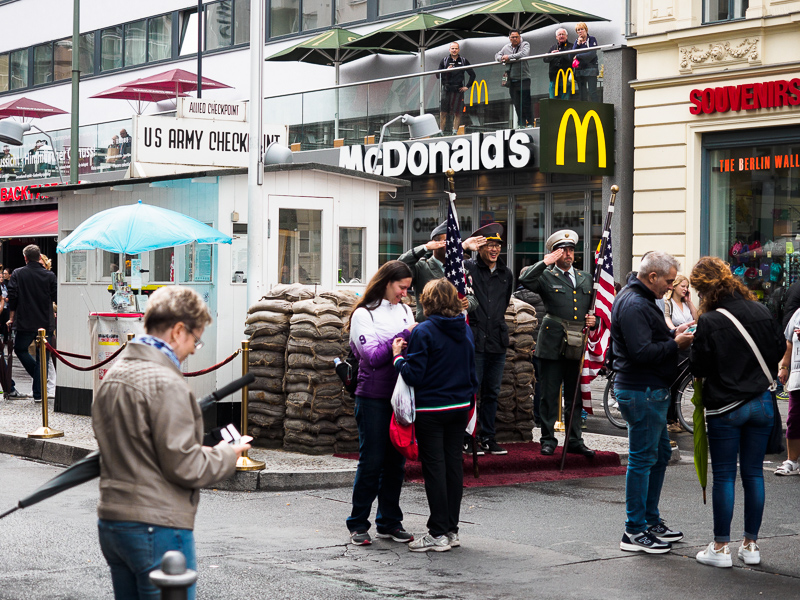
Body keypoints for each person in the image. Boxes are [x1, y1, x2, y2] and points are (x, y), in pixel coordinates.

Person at [93, 286, 247, 599]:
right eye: (195, 339)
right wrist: (227, 455)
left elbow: (137, 446)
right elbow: (183, 466)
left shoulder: (115, 375)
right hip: (157, 524)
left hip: (112, 521)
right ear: (178, 331)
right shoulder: (167, 384)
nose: (193, 349)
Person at [689, 256, 785, 567]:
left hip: (726, 406)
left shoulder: (710, 320)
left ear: (702, 291)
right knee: (754, 474)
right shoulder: (759, 308)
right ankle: (751, 545)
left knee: (726, 477)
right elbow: (777, 349)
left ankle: (720, 548)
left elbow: (699, 367)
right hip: (761, 402)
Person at [611, 251, 693, 554]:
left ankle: (649, 519)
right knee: (643, 458)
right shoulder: (634, 303)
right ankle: (633, 530)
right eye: (669, 282)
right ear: (653, 277)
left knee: (657, 455)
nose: (671, 287)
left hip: (649, 389)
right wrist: (675, 343)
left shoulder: (641, 299)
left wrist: (674, 332)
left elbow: (647, 340)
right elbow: (641, 352)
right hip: (640, 390)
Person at [392, 279, 478, 552]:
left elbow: (413, 374)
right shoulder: (465, 330)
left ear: (428, 302)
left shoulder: (425, 331)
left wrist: (397, 358)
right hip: (459, 407)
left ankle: (437, 532)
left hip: (432, 409)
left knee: (435, 469)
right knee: (453, 466)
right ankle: (451, 530)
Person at [346, 260, 416, 546]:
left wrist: (402, 341)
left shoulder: (405, 310)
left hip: (399, 395)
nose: (405, 294)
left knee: (395, 464)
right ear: (387, 282)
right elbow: (373, 357)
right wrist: (401, 339)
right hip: (373, 397)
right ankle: (358, 523)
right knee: (372, 462)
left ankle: (389, 521)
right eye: (402, 287)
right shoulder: (363, 314)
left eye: (408, 289)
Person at [518, 230, 597, 457]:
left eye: (571, 250)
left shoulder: (586, 278)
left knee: (574, 396)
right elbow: (525, 280)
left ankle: (574, 439)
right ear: (555, 253)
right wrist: (545, 262)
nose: (568, 254)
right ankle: (548, 439)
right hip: (552, 342)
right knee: (549, 395)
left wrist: (595, 320)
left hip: (576, 342)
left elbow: (595, 307)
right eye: (563, 251)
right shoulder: (546, 275)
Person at [464, 223, 513, 456]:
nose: (494, 249)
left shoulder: (506, 274)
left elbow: (504, 303)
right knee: (471, 390)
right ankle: (467, 437)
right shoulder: (469, 268)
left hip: (497, 340)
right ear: (480, 247)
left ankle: (487, 437)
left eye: (497, 245)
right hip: (475, 339)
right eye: (490, 245)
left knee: (492, 392)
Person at [398, 221, 483, 322]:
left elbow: (472, 297)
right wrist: (425, 248)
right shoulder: (422, 267)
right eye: (447, 242)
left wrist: (467, 303)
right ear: (435, 243)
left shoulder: (460, 269)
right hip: (428, 327)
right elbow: (400, 264)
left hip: (454, 326)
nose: (453, 246)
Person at [6, 245, 57, 403]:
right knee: (44, 356)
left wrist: (12, 316)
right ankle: (38, 393)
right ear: (39, 257)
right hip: (44, 320)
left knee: (20, 349)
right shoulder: (49, 275)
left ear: (25, 258)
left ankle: (38, 384)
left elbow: (12, 296)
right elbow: (56, 296)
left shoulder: (18, 273)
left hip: (25, 319)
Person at [663, 273, 697, 432]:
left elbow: (697, 319)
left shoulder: (685, 303)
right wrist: (675, 330)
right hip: (676, 343)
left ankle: (675, 418)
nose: (685, 289)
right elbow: (667, 320)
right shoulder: (667, 302)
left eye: (687, 286)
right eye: (682, 286)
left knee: (682, 383)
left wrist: (690, 302)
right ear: (674, 286)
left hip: (688, 344)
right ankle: (671, 420)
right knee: (674, 382)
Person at [776, 305, 800, 476]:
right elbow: (789, 341)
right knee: (794, 419)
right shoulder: (798, 313)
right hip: (798, 376)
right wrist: (784, 366)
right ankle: (792, 461)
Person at [436, 42, 476, 136]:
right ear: (449, 50)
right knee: (443, 112)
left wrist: (467, 86)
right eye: (452, 48)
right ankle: (441, 131)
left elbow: (472, 74)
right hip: (446, 89)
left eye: (456, 48)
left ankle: (455, 131)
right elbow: (438, 75)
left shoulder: (463, 61)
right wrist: (446, 70)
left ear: (459, 49)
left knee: (458, 112)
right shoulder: (444, 60)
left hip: (458, 89)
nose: (454, 50)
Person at [495, 30, 532, 128]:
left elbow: (524, 54)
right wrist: (502, 58)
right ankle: (521, 123)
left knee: (526, 101)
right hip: (512, 79)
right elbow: (497, 56)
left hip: (524, 78)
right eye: (512, 37)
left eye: (516, 37)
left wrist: (509, 57)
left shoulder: (525, 44)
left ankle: (531, 122)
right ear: (509, 38)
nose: (514, 39)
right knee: (516, 103)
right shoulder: (506, 47)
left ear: (519, 37)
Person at [572, 22, 600, 102]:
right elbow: (571, 55)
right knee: (582, 94)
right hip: (580, 70)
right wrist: (577, 44)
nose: (580, 31)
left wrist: (578, 56)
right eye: (578, 30)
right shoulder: (576, 42)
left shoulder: (591, 39)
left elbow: (592, 54)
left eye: (582, 29)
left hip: (591, 69)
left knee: (592, 92)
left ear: (586, 30)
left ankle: (597, 109)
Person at [543, 28, 572, 99]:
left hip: (566, 77)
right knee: (552, 100)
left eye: (563, 34)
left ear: (566, 36)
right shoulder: (553, 47)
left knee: (565, 100)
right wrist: (552, 55)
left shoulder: (571, 46)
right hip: (553, 77)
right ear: (556, 37)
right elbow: (545, 59)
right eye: (559, 35)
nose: (561, 36)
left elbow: (571, 58)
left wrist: (561, 53)